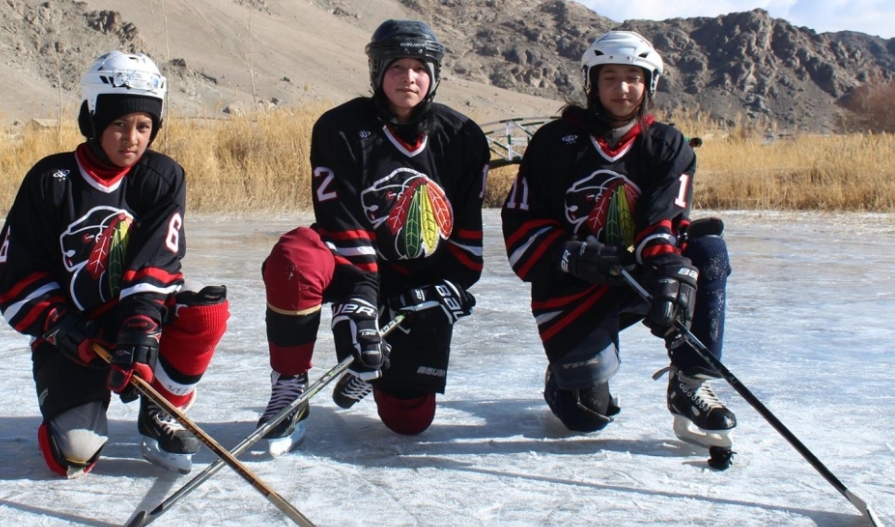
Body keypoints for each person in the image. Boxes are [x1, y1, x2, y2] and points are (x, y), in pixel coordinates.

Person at [499, 31, 737, 460]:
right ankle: (567, 374)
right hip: (574, 285)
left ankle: (690, 383)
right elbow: (521, 223)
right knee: (584, 418)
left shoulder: (667, 144)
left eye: (634, 77)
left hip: (635, 275)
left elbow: (661, 221)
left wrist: (667, 274)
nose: (622, 88)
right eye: (610, 77)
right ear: (592, 83)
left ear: (649, 84)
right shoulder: (555, 142)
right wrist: (567, 253)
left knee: (707, 255)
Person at [256, 19, 489, 453]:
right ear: (377, 71)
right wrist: (360, 301)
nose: (409, 77)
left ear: (434, 75)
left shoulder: (463, 136)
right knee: (295, 256)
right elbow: (338, 215)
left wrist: (452, 285)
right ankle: (289, 387)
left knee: (409, 421)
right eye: (397, 67)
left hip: (420, 275)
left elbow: (467, 233)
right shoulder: (338, 127)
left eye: (420, 67)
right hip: (353, 264)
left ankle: (372, 372)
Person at [0, 51, 230, 478]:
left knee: (206, 312)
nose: (131, 138)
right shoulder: (50, 179)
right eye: (118, 124)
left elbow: (158, 257)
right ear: (93, 120)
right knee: (74, 456)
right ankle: (74, 405)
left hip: (135, 319)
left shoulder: (161, 176)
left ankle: (161, 411)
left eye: (143, 127)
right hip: (74, 331)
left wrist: (140, 329)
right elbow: (14, 276)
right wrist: (62, 327)